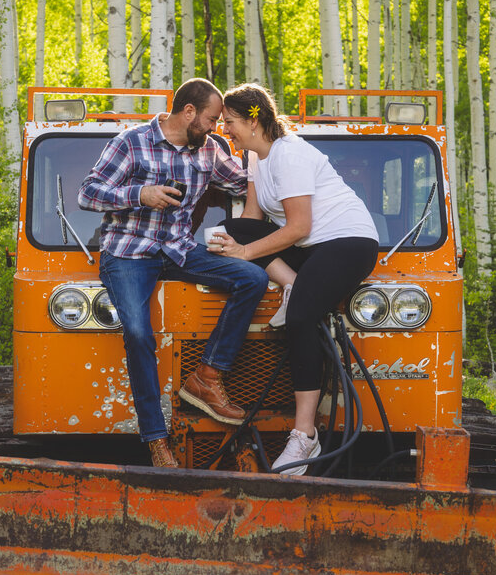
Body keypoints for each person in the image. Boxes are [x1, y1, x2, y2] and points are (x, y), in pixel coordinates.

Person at [78, 78, 269, 469]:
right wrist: (139, 195)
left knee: (252, 279)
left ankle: (207, 376)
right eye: (212, 119)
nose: (216, 127)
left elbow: (245, 181)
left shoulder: (209, 150)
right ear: (188, 113)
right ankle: (156, 438)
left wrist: (270, 153)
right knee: (137, 332)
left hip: (179, 250)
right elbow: (88, 193)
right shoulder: (131, 142)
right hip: (129, 253)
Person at [207, 83, 378, 476]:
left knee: (301, 318)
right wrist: (227, 242)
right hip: (311, 248)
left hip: (347, 241)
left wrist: (244, 253)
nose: (225, 130)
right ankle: (291, 284)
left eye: (229, 122)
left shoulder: (291, 153)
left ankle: (305, 434)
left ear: (253, 119)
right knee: (230, 228)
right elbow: (251, 221)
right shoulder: (254, 157)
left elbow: (299, 226)